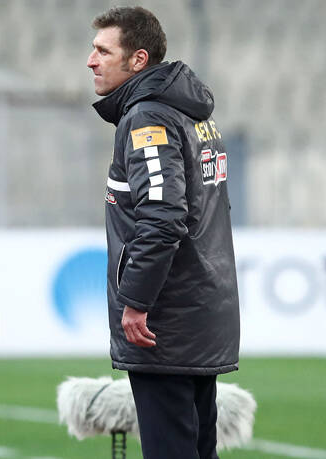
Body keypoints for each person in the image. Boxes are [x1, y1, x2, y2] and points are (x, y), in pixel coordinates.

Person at [86, 7, 240, 459]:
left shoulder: (148, 117)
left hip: (165, 322)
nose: (91, 61)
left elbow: (163, 216)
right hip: (198, 311)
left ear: (138, 59)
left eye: (103, 51)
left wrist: (137, 301)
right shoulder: (188, 111)